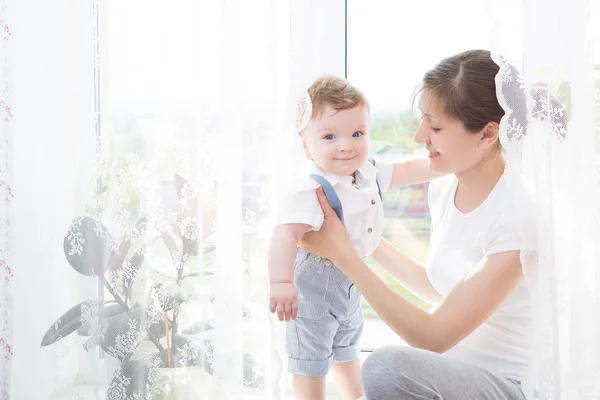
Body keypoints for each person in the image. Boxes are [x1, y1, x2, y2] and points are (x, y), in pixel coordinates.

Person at [298, 50, 536, 400]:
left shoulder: (519, 217)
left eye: (436, 126)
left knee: (386, 367)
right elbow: (440, 288)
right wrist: (359, 233)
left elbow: (434, 337)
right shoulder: (444, 187)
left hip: (508, 386)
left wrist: (344, 253)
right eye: (423, 120)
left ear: (487, 135)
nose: (420, 136)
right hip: (449, 375)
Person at [268, 75, 444, 400]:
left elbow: (407, 170)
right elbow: (284, 234)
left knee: (347, 345)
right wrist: (281, 282)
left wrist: (444, 165)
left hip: (350, 282)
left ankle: (356, 396)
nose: (346, 145)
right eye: (330, 136)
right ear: (307, 145)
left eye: (357, 133)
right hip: (313, 288)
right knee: (312, 360)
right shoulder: (309, 188)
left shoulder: (367, 173)